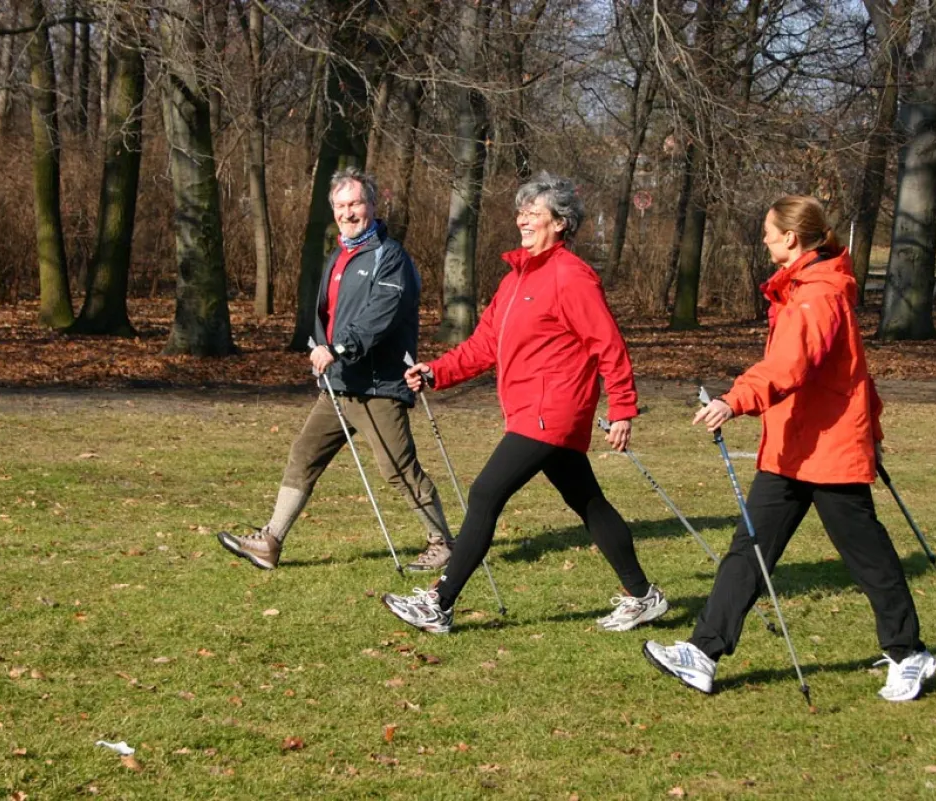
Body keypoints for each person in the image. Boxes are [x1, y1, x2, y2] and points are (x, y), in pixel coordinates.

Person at [642, 195, 936, 702]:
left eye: (768, 231)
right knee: (749, 548)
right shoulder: (802, 290)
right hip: (792, 448)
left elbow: (789, 367)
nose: (763, 239)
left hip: (829, 450)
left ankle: (909, 654)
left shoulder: (815, 296)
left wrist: (734, 400)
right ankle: (703, 653)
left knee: (867, 557)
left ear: (791, 238)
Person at [381, 172, 667, 634]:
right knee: (589, 502)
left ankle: (439, 603)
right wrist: (437, 372)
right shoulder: (515, 279)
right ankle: (643, 596)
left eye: (535, 213)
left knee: (485, 493)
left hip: (552, 410)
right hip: (531, 410)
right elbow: (483, 345)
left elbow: (608, 345)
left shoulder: (572, 276)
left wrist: (622, 408)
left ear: (561, 223)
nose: (524, 219)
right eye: (522, 212)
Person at [216, 167, 454, 572]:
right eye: (341, 206)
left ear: (374, 205)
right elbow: (326, 315)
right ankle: (270, 542)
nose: (348, 212)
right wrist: (319, 347)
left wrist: (339, 348)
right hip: (340, 385)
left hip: (377, 385)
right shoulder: (339, 255)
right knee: (304, 455)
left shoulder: (389, 257)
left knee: (396, 469)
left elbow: (381, 316)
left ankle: (443, 543)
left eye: (356, 203)